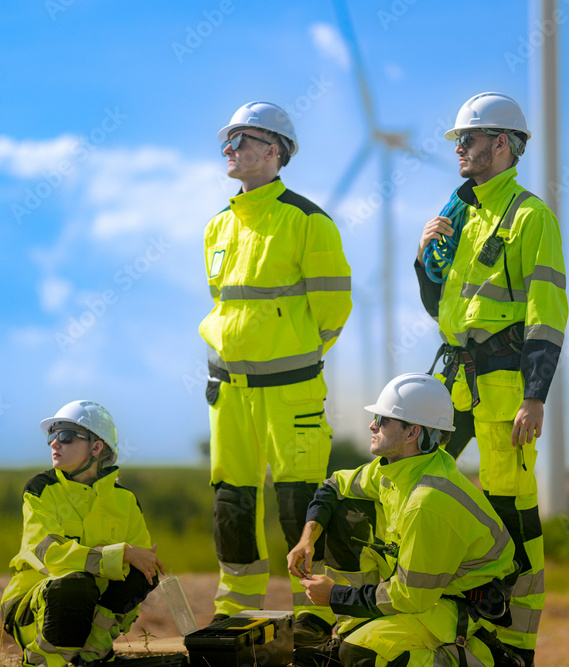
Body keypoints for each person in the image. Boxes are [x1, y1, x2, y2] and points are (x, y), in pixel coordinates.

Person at [413, 92, 569, 666]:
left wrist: (535, 395)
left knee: (512, 510)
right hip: (454, 374)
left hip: (507, 384)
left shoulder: (531, 217)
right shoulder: (460, 215)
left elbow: (548, 314)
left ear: (501, 145)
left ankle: (515, 644)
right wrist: (424, 259)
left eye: (468, 140)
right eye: (458, 141)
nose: (459, 150)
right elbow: (442, 308)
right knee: (421, 482)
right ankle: (458, 609)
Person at [200, 101, 352, 645]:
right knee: (231, 503)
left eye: (243, 140)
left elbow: (333, 310)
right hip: (229, 392)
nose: (231, 149)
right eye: (228, 140)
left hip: (291, 392)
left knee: (300, 504)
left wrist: (294, 354)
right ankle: (235, 611)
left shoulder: (308, 221)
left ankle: (316, 614)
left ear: (275, 151)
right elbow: (225, 305)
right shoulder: (218, 224)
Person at [287, 374, 521, 667]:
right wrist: (306, 538)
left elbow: (411, 597)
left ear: (412, 433)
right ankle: (355, 627)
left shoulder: (429, 501)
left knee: (361, 656)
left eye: (382, 419)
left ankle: (479, 659)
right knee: (345, 505)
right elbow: (334, 485)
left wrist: (335, 595)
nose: (372, 425)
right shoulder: (398, 469)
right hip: (430, 592)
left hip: (462, 606)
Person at [1, 400, 164, 667]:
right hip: (32, 609)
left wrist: (136, 560)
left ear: (97, 447)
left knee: (142, 574)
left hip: (89, 611)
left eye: (65, 436)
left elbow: (141, 563)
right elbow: (48, 554)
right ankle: (45, 662)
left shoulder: (126, 501)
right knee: (74, 584)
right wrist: (118, 553)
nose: (54, 443)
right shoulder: (41, 489)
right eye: (52, 437)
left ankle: (92, 656)